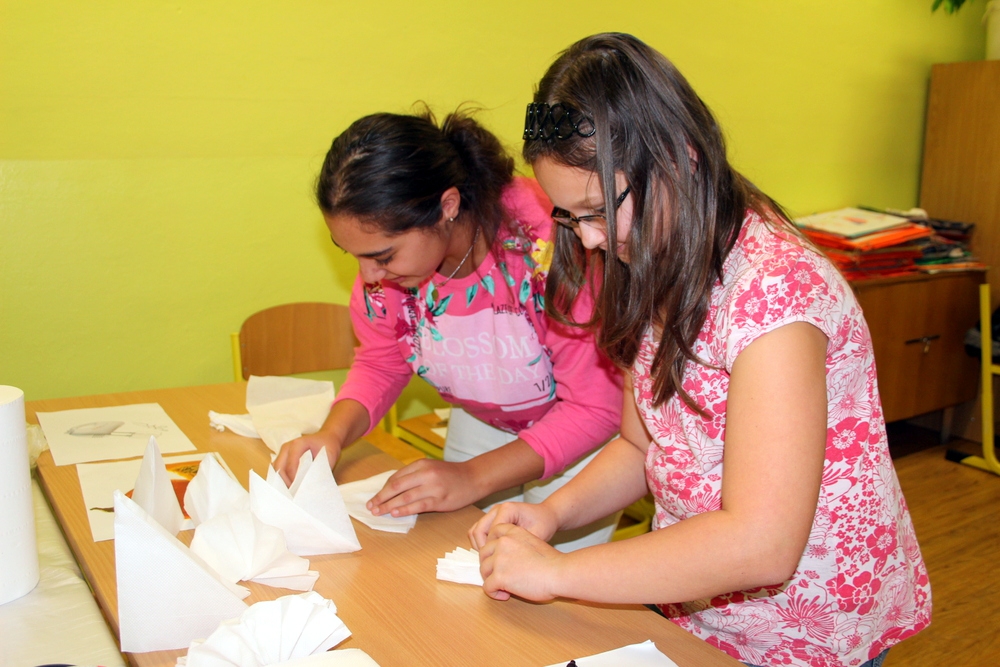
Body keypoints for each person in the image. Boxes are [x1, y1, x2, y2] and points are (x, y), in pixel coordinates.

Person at [470, 33, 931, 667]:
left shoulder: (776, 292)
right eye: (571, 216)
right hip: (698, 601)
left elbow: (762, 544)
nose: (592, 240)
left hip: (807, 629)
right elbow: (642, 445)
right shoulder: (648, 256)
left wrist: (557, 573)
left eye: (598, 210)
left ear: (679, 158)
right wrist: (552, 515)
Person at [273, 108, 623, 551]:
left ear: (448, 206)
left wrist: (473, 476)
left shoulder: (547, 245)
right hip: (486, 417)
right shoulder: (391, 277)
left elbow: (595, 406)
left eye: (383, 256)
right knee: (459, 556)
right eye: (353, 255)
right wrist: (332, 434)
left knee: (547, 570)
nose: (369, 276)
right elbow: (382, 361)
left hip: (581, 432)